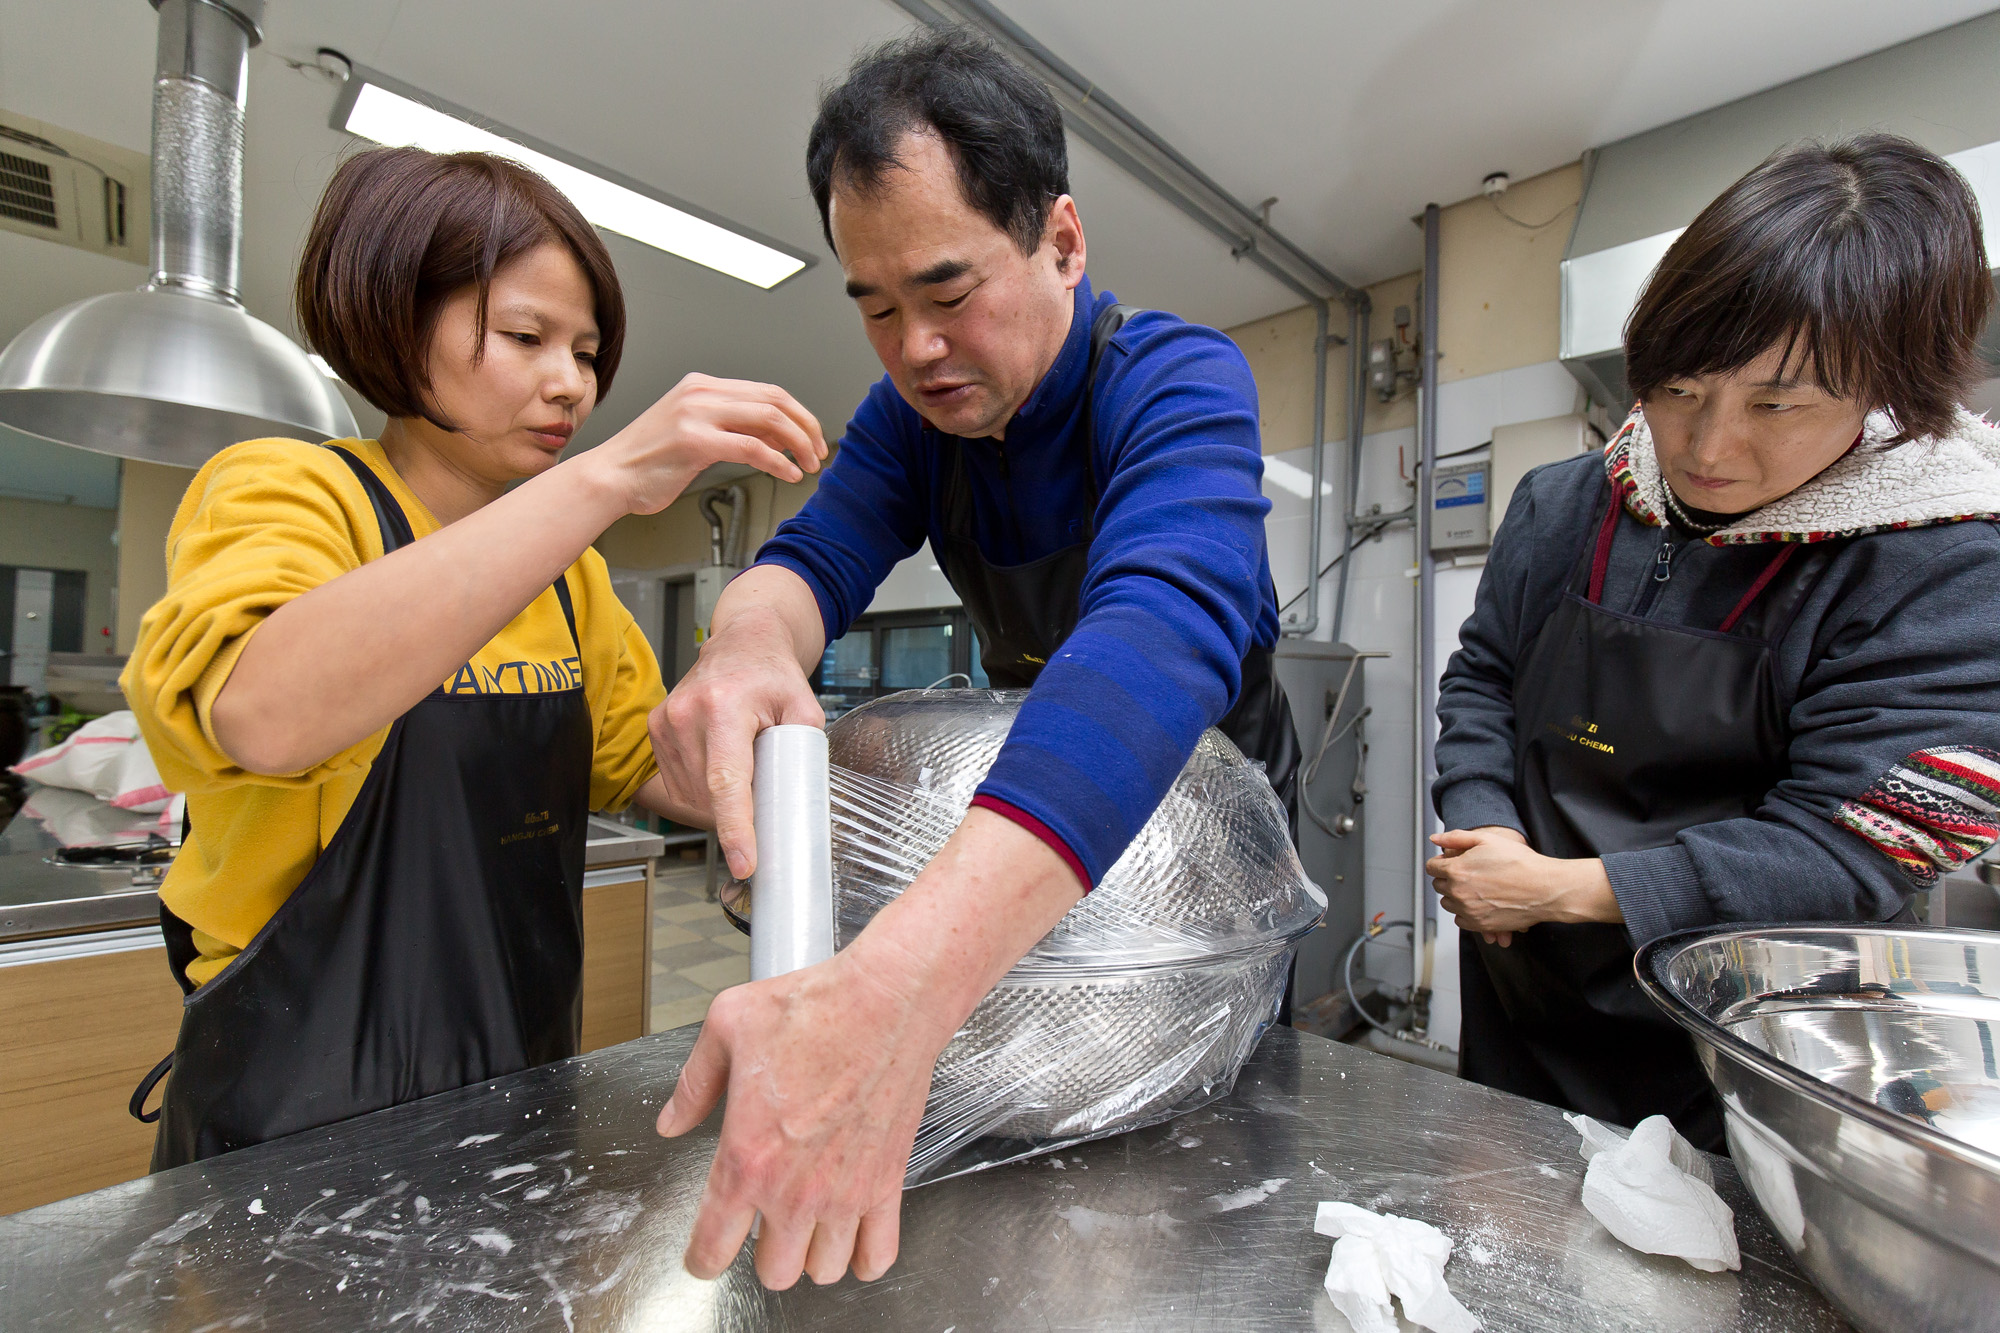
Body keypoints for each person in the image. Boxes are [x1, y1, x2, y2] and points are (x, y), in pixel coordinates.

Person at [649, 30, 1299, 1288]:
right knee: (1011, 1177)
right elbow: (814, 559)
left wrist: (894, 987)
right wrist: (741, 644)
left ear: (1061, 240)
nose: (914, 350)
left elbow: (1152, 643)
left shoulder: (1174, 382)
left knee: (1177, 1185)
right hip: (1027, 846)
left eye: (947, 294)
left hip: (1192, 863)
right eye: (876, 309)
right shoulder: (908, 424)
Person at [121, 147, 824, 1166]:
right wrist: (604, 481)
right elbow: (259, 712)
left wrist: (831, 763)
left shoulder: (564, 577)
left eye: (586, 352)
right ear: (396, 319)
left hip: (525, 1074)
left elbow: (654, 757)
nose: (569, 384)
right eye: (526, 336)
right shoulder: (288, 490)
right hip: (291, 1110)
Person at [1427, 134, 2000, 1150]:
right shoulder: (1568, 502)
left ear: (1881, 392)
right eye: (1676, 389)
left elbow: (1847, 843)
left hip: (1740, 1041)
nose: (1704, 447)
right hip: (1524, 1001)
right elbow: (1481, 680)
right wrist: (1487, 833)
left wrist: (1561, 888)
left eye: (1775, 405)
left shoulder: (1941, 563)